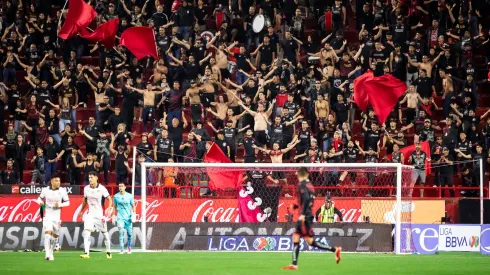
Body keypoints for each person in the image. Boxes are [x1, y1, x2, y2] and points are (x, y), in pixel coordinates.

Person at [283, 167, 341, 270]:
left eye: (297, 174)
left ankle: (335, 249)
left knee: (304, 239)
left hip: (305, 216)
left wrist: (303, 214)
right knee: (301, 238)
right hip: (308, 214)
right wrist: (296, 207)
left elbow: (305, 198)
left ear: (299, 174)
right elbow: (307, 201)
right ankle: (294, 264)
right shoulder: (311, 186)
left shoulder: (302, 184)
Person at [78, 171, 113, 259]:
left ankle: (108, 252)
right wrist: (81, 211)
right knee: (86, 233)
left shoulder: (102, 188)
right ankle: (86, 253)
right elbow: (85, 200)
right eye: (89, 177)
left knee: (105, 234)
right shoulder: (86, 188)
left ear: (97, 178)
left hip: (99, 215)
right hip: (90, 214)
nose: (90, 179)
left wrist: (109, 209)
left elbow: (109, 199)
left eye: (92, 177)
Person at [37, 174, 70, 261]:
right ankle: (47, 254)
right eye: (56, 181)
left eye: (59, 181)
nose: (58, 182)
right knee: (47, 235)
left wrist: (59, 204)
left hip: (57, 217)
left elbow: (67, 202)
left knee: (55, 238)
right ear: (51, 181)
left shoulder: (62, 191)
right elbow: (39, 199)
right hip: (47, 216)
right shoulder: (45, 190)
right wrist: (40, 202)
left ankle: (51, 252)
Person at [113, 182, 136, 254]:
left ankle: (129, 247)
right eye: (119, 186)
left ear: (125, 187)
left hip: (128, 217)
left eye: (122, 186)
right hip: (120, 217)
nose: (120, 188)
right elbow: (114, 207)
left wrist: (134, 214)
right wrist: (114, 216)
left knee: (130, 234)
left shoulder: (129, 196)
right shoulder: (116, 196)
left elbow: (133, 205)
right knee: (121, 232)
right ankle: (122, 249)